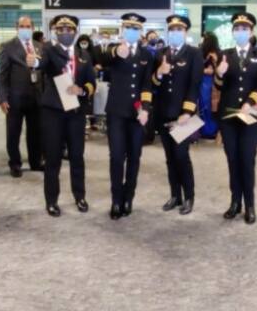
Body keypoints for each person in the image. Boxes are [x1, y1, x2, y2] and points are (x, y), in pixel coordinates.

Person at [37, 14, 96, 217]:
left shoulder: (84, 55)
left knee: (77, 156)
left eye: (69, 30)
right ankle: (51, 200)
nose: (64, 33)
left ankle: (79, 196)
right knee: (53, 157)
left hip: (76, 113)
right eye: (60, 30)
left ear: (75, 32)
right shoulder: (49, 51)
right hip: (53, 112)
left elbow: (91, 82)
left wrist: (82, 90)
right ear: (55, 33)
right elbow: (41, 64)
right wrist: (33, 63)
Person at [214, 12, 257, 225]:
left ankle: (250, 205)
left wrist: (250, 102)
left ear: (252, 31)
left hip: (251, 115)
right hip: (229, 116)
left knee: (247, 159)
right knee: (232, 160)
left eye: (245, 29)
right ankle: (235, 202)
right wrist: (219, 73)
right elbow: (219, 86)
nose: (240, 32)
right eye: (237, 29)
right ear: (232, 32)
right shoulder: (225, 55)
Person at [102, 13, 153, 220]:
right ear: (123, 30)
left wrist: (146, 108)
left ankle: (128, 198)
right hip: (116, 113)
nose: (132, 31)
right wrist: (115, 52)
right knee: (116, 157)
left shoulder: (146, 55)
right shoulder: (113, 50)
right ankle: (115, 200)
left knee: (134, 157)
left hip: (136, 114)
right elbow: (101, 59)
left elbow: (146, 84)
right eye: (128, 27)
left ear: (140, 32)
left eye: (135, 28)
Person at [152, 15, 203, 215]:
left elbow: (195, 84)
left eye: (179, 29)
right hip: (163, 113)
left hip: (183, 116)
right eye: (172, 29)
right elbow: (153, 84)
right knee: (169, 157)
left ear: (186, 32)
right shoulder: (160, 53)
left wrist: (187, 111)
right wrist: (159, 73)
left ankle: (189, 197)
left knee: (182, 156)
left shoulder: (194, 53)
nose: (175, 33)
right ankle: (175, 195)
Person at [0, 16, 44, 178]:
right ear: (17, 27)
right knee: (13, 132)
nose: (25, 28)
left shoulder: (39, 46)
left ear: (33, 27)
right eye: (22, 26)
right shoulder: (8, 47)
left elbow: (43, 72)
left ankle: (35, 161)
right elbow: (2, 74)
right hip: (15, 98)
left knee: (35, 132)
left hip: (36, 98)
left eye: (28, 26)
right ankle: (15, 163)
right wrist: (2, 97)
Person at [198, 31, 221, 139]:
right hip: (207, 82)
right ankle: (208, 130)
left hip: (210, 83)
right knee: (206, 106)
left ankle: (209, 130)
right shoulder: (201, 52)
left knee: (209, 106)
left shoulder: (215, 54)